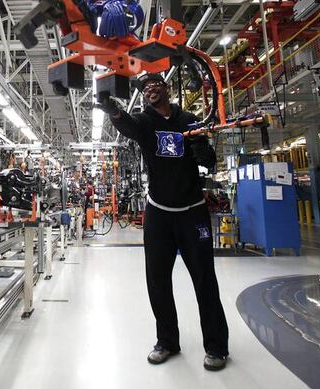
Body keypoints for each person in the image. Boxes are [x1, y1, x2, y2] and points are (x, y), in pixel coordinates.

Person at [97, 73, 229, 371]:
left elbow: (210, 160)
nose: (149, 88)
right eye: (144, 87)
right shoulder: (144, 122)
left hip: (193, 211)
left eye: (155, 83)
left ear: (167, 88)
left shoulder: (190, 120)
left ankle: (217, 346)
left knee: (205, 281)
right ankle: (167, 341)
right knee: (157, 281)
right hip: (158, 213)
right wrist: (114, 110)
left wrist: (202, 151)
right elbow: (127, 126)